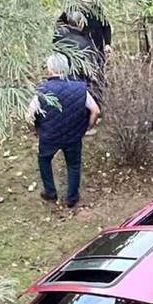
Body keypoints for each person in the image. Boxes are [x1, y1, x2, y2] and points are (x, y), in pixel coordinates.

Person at [33, 54, 100, 207]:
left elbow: (28, 114)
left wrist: (36, 129)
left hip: (49, 136)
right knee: (73, 165)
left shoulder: (42, 90)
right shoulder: (80, 87)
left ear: (50, 69)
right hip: (73, 136)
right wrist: (87, 127)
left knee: (44, 160)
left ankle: (50, 192)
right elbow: (95, 111)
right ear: (67, 69)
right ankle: (72, 198)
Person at [53, 7, 106, 90]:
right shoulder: (86, 43)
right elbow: (90, 68)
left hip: (57, 81)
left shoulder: (57, 36)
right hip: (79, 84)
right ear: (81, 24)